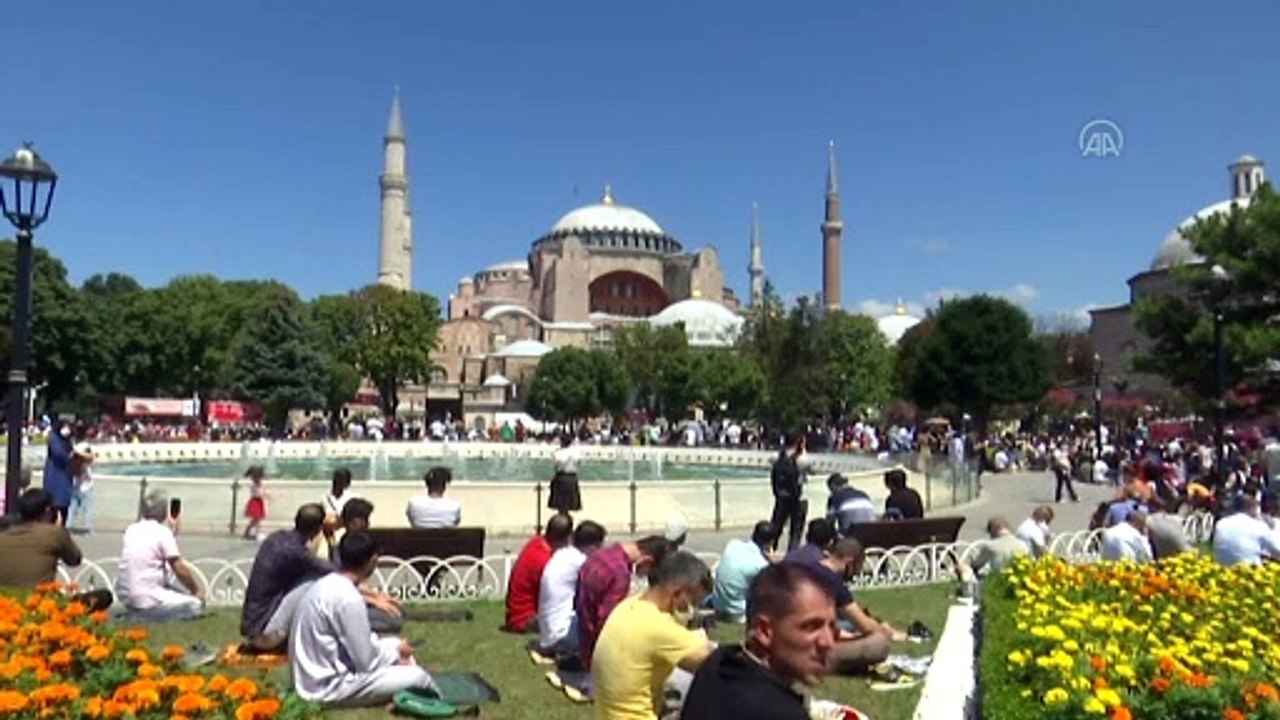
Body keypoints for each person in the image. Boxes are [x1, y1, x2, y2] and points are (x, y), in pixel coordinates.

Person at [290, 531, 433, 708]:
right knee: (418, 676)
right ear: (372, 560)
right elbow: (367, 662)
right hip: (328, 688)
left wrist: (395, 647)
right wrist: (395, 654)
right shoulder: (348, 598)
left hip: (310, 679)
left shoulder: (326, 584)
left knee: (396, 647)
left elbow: (360, 645)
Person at [683, 563, 838, 720]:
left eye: (832, 626)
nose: (828, 642)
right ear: (764, 631)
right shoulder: (776, 711)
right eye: (811, 626)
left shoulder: (720, 662)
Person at [592, 552, 715, 720]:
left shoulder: (628, 606)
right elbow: (715, 665)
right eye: (692, 601)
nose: (692, 610)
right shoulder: (658, 626)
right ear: (677, 593)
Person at [784, 537, 895, 674]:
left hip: (784, 638)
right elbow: (866, 626)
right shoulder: (833, 581)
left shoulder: (806, 568)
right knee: (879, 644)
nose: (855, 575)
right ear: (850, 563)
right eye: (857, 568)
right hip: (802, 648)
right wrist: (883, 630)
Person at [240, 503, 334, 651]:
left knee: (311, 577)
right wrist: (331, 539)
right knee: (315, 579)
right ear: (318, 529)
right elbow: (335, 570)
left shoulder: (276, 539)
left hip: (254, 627)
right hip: (265, 634)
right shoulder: (296, 552)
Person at [0, 488, 112, 611]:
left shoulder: (4, 534)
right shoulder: (54, 533)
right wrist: (58, 529)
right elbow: (75, 560)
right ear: (48, 511)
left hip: (5, 605)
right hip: (40, 606)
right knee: (104, 596)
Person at [575, 535, 677, 670]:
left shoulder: (602, 554)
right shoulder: (620, 574)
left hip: (584, 638)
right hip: (600, 658)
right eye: (650, 573)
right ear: (647, 561)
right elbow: (607, 625)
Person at [116, 490, 205, 622]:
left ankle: (140, 612)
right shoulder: (162, 532)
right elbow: (178, 568)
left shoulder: (132, 529)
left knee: (179, 595)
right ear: (164, 511)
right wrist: (196, 590)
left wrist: (173, 531)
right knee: (194, 605)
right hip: (147, 593)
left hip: (125, 592)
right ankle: (144, 616)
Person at [536, 520, 607, 660]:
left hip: (548, 634)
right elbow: (601, 589)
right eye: (600, 547)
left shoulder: (563, 554)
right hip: (562, 636)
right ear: (593, 546)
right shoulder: (580, 561)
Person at [505, 513, 574, 633]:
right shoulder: (544, 561)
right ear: (567, 538)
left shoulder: (536, 543)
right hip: (525, 619)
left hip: (516, 615)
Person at [712, 521, 777, 623]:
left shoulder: (733, 544)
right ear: (771, 543)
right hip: (738, 613)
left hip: (717, 605)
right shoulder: (760, 564)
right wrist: (771, 562)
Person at [1213, 496, 1280, 566]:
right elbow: (1277, 551)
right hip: (1249, 572)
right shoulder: (1259, 526)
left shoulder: (1221, 523)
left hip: (1221, 570)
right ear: (1251, 509)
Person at [959, 517, 1028, 578]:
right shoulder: (1022, 544)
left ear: (992, 531)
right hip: (1020, 580)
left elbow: (976, 564)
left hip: (998, 581)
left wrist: (965, 563)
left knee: (963, 567)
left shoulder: (991, 546)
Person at [769, 435, 806, 551]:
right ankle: (792, 556)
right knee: (795, 532)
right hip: (798, 499)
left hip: (782, 496)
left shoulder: (777, 457)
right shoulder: (802, 460)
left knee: (776, 527)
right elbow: (811, 468)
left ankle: (770, 550)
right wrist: (803, 451)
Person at [42, 420, 74, 526]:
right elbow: (59, 454)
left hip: (65, 478)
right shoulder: (54, 438)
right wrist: (70, 457)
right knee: (54, 507)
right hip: (55, 477)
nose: (67, 430)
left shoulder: (67, 441)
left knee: (64, 507)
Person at [549, 434, 583, 514]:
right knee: (570, 504)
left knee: (560, 504)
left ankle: (562, 519)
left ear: (561, 442)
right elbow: (579, 463)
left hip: (561, 477)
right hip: (572, 477)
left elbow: (555, 466)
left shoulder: (557, 453)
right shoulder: (576, 453)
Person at [67, 442, 95, 534]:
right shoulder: (85, 461)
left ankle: (68, 526)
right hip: (86, 488)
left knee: (72, 509)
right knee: (87, 509)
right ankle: (87, 529)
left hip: (76, 486)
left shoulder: (73, 461)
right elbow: (91, 458)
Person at [242, 466, 269, 541]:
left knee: (256, 519)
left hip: (257, 502)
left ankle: (250, 532)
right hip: (256, 502)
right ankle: (257, 533)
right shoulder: (255, 485)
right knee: (256, 519)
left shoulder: (257, 484)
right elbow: (258, 494)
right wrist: (265, 495)